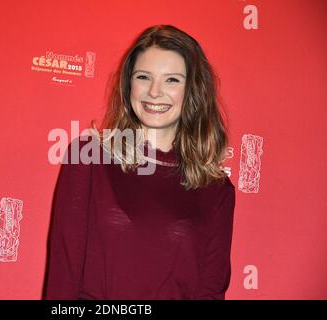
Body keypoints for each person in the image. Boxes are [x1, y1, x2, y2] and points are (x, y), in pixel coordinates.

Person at [43, 25, 236, 300]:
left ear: (193, 91)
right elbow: (64, 275)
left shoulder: (216, 189)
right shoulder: (89, 157)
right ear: (129, 84)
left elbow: (211, 291)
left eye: (172, 80)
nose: (154, 92)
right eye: (144, 77)